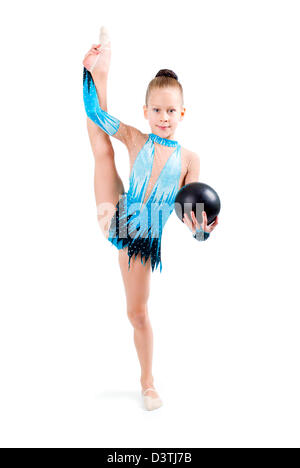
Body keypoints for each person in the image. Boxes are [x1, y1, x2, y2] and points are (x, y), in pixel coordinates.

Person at [82, 27, 219, 411]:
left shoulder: (189, 159)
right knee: (102, 151)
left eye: (170, 111)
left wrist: (201, 232)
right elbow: (97, 116)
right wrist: (92, 72)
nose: (163, 117)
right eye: (156, 110)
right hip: (116, 215)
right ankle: (103, 71)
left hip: (143, 240)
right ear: (146, 112)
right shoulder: (137, 138)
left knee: (136, 313)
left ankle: (147, 383)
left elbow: (190, 213)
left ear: (182, 113)